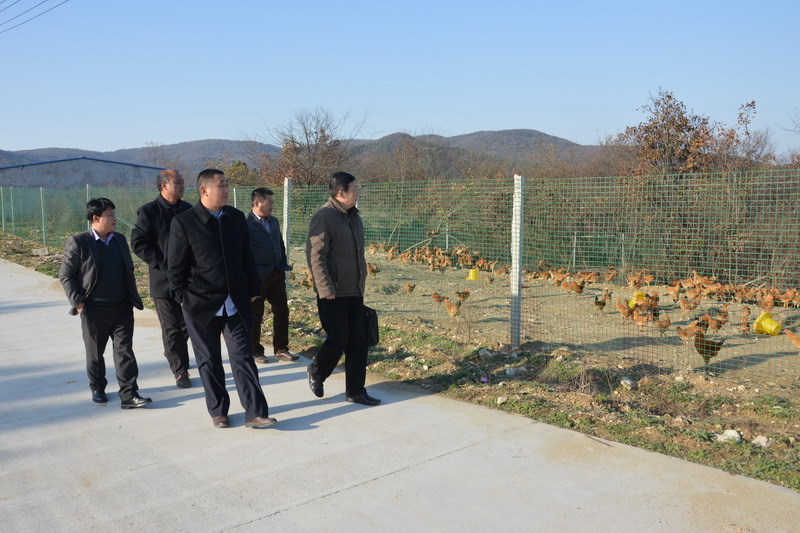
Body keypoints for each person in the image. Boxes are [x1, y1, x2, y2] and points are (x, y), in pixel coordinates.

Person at [167, 169, 275, 429]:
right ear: (204, 190)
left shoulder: (235, 218)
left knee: (243, 357)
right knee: (209, 360)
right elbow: (175, 269)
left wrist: (253, 289)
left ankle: (255, 412)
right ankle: (218, 411)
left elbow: (246, 256)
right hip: (200, 305)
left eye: (227, 185)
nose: (227, 190)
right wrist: (184, 299)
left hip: (235, 302)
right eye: (222, 186)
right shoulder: (184, 222)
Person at [59, 198, 152, 409]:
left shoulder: (119, 239)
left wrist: (131, 297)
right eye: (110, 215)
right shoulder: (79, 242)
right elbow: (66, 275)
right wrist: (78, 302)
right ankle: (98, 387)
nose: (114, 219)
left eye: (114, 214)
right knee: (95, 353)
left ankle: (129, 394)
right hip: (94, 308)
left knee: (124, 351)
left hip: (122, 306)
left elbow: (127, 270)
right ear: (96, 218)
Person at [305, 171, 380, 406]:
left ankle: (355, 391)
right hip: (332, 292)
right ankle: (317, 371)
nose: (357, 192)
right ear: (340, 193)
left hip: (354, 290)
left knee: (359, 342)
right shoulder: (324, 216)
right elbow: (315, 256)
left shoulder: (354, 216)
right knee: (338, 339)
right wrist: (325, 288)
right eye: (354, 189)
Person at [131, 169, 193, 388]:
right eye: (179, 182)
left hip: (188, 279)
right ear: (164, 185)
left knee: (188, 324)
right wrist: (163, 263)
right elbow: (138, 243)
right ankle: (180, 371)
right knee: (171, 327)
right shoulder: (149, 212)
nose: (183, 185)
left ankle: (175, 353)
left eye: (183, 182)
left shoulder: (188, 209)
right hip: (164, 280)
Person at [247, 187, 297, 364]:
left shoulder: (274, 221)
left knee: (282, 311)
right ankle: (255, 350)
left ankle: (281, 348)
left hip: (276, 274)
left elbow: (279, 245)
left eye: (272, 202)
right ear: (257, 203)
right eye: (269, 202)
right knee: (255, 315)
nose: (272, 205)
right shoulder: (246, 224)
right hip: (258, 277)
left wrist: (282, 264)